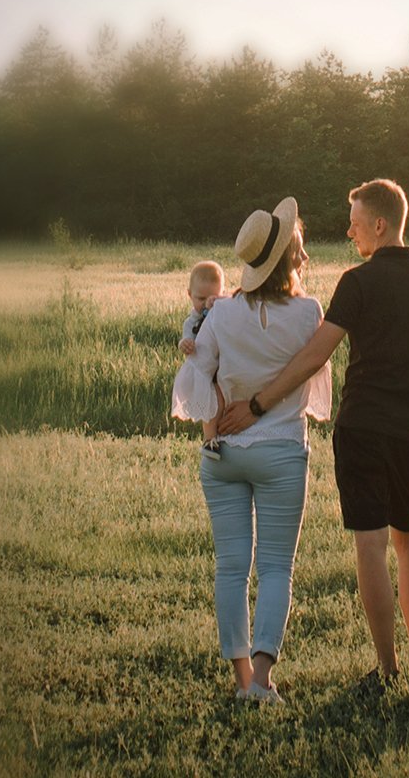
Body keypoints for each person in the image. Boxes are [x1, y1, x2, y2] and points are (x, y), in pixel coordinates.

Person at [219, 178, 409, 683]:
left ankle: (388, 667)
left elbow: (316, 354)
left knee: (370, 544)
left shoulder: (357, 282)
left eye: (355, 224)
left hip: (360, 430)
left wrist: (259, 403)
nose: (351, 232)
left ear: (380, 224)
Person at [171, 197, 331, 704]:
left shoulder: (220, 313)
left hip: (223, 455)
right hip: (282, 451)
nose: (304, 257)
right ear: (287, 260)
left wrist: (216, 421)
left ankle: (242, 681)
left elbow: (200, 378)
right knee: (277, 566)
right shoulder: (309, 313)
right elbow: (313, 375)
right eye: (299, 251)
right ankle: (262, 681)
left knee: (230, 567)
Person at [176, 260, 226, 458]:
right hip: (205, 371)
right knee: (210, 404)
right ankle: (210, 440)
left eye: (213, 297)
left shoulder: (223, 311)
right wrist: (185, 345)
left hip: (224, 366)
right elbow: (186, 339)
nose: (206, 303)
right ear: (189, 294)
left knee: (224, 401)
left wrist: (220, 303)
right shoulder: (192, 322)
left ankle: (226, 435)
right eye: (200, 298)